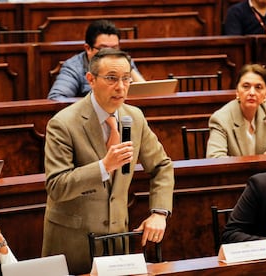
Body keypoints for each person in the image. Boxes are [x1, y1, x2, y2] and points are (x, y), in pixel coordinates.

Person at [42, 48, 174, 275]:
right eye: (111, 78)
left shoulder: (134, 118)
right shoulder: (63, 124)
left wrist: (159, 212)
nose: (121, 87)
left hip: (117, 240)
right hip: (73, 243)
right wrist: (104, 167)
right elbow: (57, 186)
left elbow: (162, 166)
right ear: (91, 80)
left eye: (126, 79)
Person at [206, 64, 266, 158]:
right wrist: (260, 161)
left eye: (258, 87)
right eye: (246, 86)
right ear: (237, 91)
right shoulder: (221, 119)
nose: (252, 93)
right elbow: (215, 158)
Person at [47, 19, 145, 101]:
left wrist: (128, 67)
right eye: (104, 49)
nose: (110, 53)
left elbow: (146, 93)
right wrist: (96, 105)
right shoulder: (73, 66)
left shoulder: (122, 60)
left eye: (114, 48)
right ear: (88, 48)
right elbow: (56, 98)